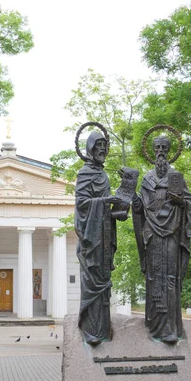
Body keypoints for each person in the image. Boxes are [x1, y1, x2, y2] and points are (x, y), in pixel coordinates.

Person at [132, 135, 191, 342]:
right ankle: (154, 325)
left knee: (170, 278)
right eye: (157, 147)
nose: (160, 151)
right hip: (152, 233)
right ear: (152, 151)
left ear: (169, 151)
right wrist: (136, 205)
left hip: (172, 232)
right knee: (153, 277)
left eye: (164, 148)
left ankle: (171, 329)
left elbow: (189, 202)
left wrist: (181, 202)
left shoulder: (176, 177)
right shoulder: (147, 179)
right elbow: (142, 208)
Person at [75, 132, 117, 345]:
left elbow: (104, 206)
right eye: (98, 145)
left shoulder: (103, 175)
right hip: (91, 238)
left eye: (105, 146)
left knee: (104, 282)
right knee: (92, 282)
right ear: (90, 148)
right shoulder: (85, 174)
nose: (103, 150)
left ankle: (103, 330)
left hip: (104, 234)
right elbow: (82, 204)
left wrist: (117, 209)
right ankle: (91, 330)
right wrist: (105, 201)